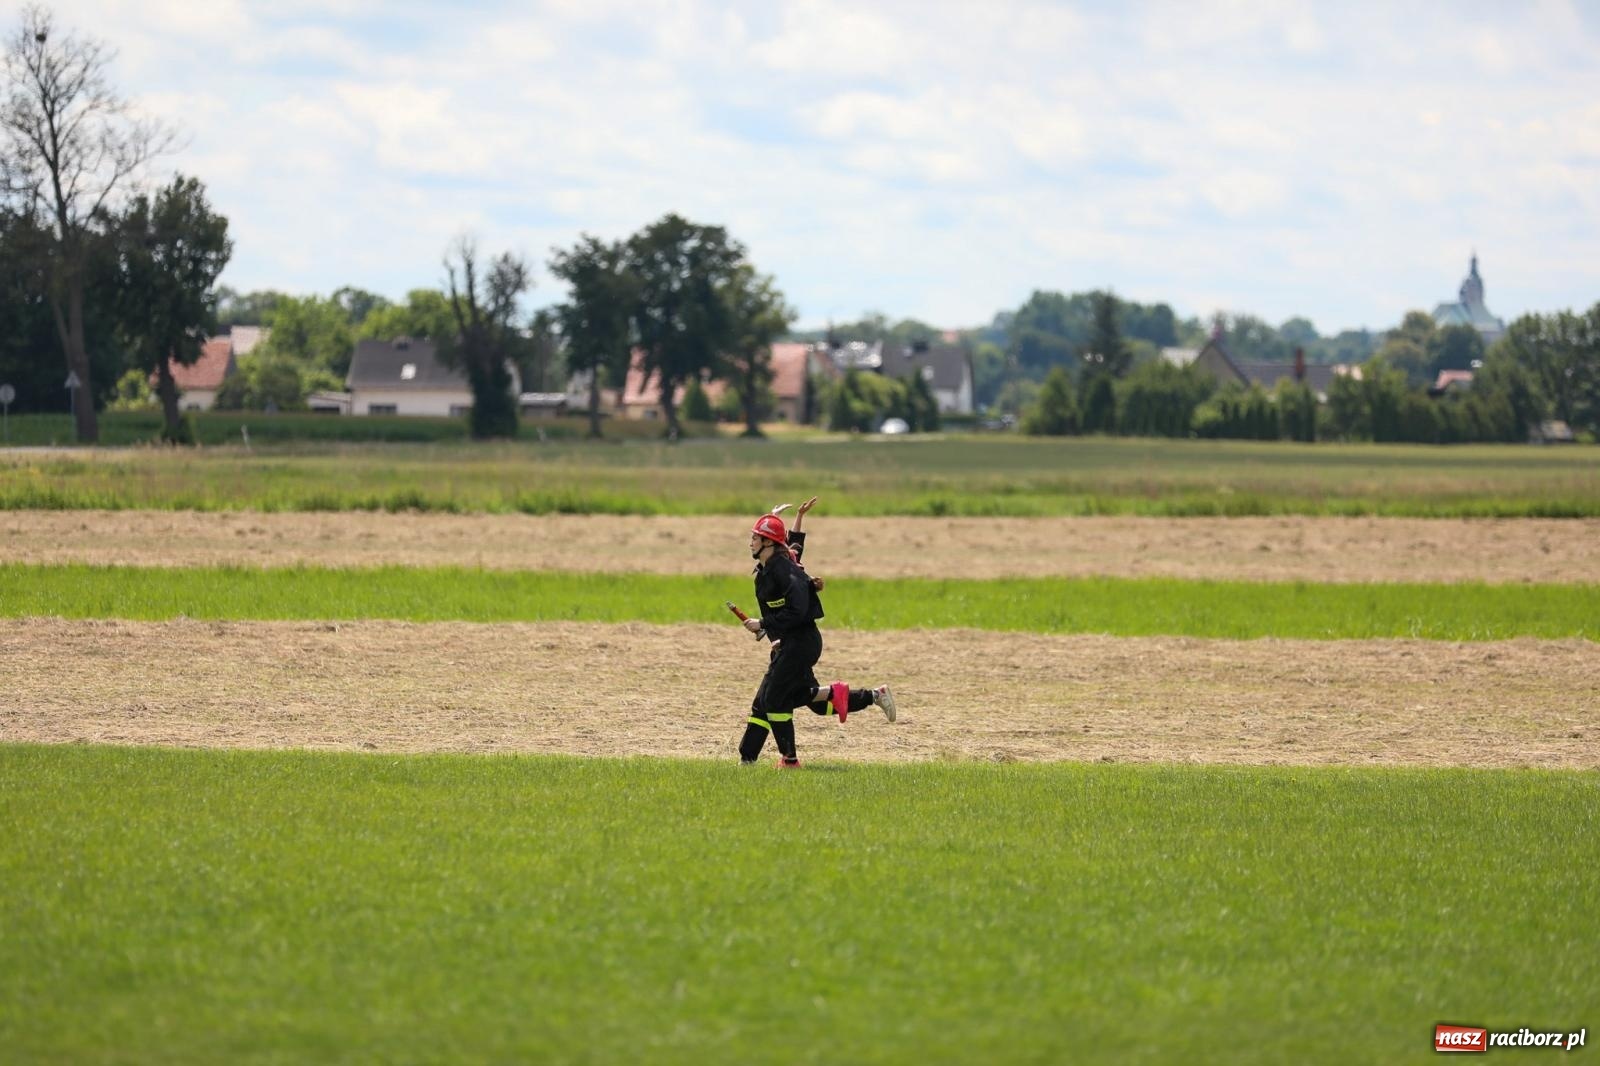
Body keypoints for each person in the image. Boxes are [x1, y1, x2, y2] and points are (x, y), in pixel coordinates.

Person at [737, 497, 896, 768]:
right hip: (788, 644)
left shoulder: (785, 571)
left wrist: (763, 624)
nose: (751, 540)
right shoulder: (771, 566)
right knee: (810, 702)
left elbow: (797, 612)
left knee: (773, 699)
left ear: (768, 543)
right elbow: (794, 544)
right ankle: (873, 695)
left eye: (756, 536)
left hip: (801, 644)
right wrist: (778, 517)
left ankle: (789, 760)